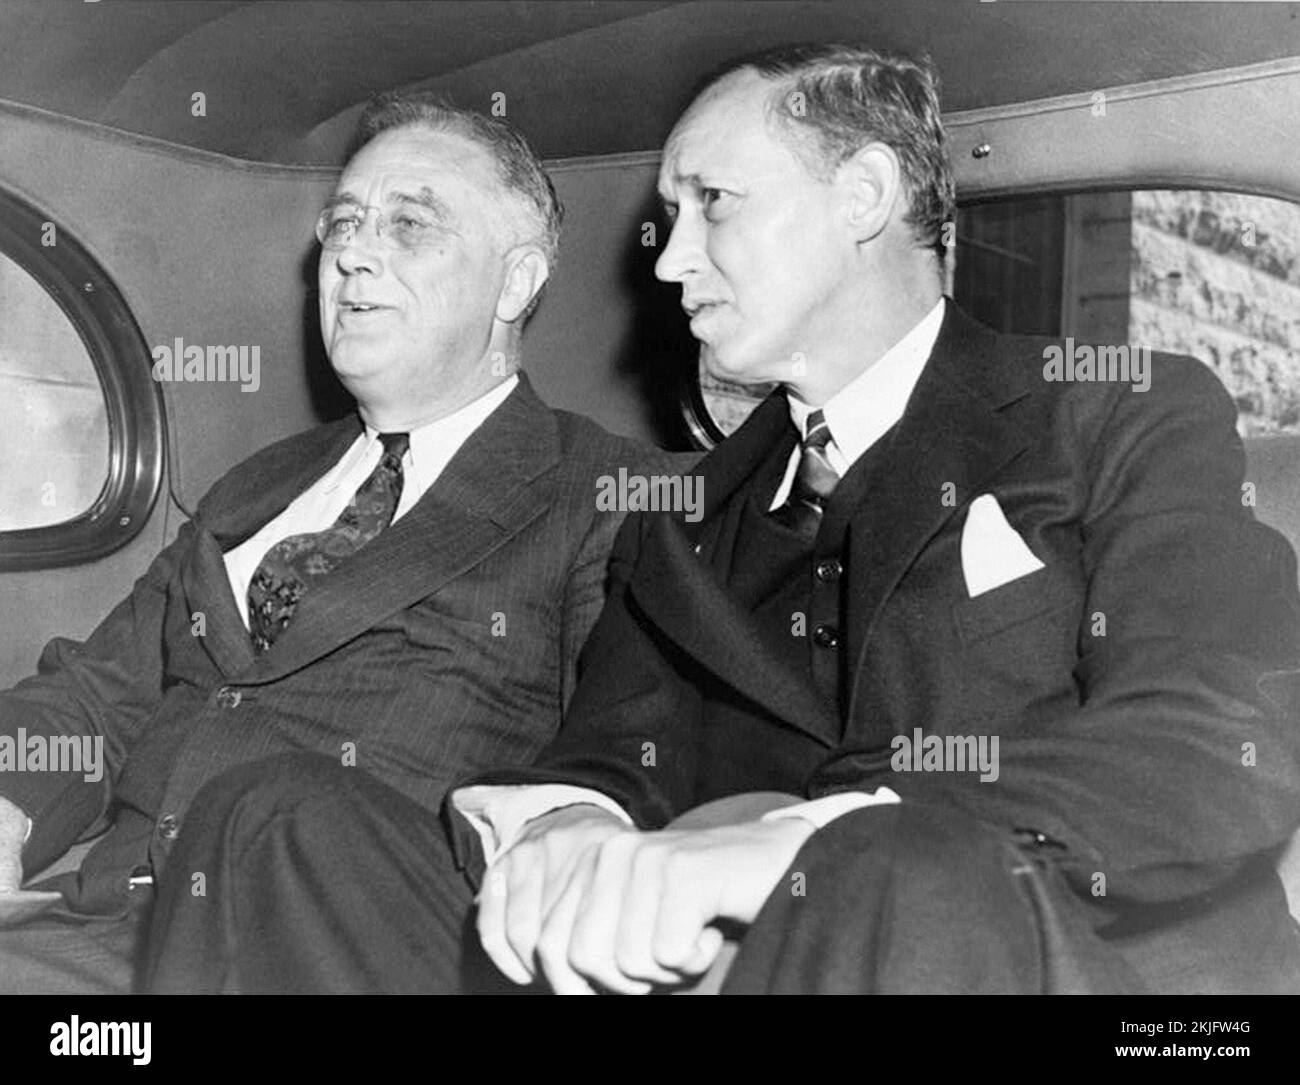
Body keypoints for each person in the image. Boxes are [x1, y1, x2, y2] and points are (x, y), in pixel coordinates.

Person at [144, 44, 1300, 996]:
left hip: (1053, 959)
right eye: (666, 215)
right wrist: (571, 836)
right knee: (273, 816)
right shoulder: (684, 512)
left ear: (862, 197)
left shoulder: (1119, 413)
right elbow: (605, 755)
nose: (672, 259)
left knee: (889, 869)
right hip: (721, 971)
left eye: (713, 206)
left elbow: (1214, 739)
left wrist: (807, 844)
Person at [0, 92, 675, 994]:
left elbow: (623, 766)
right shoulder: (259, 482)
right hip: (97, 928)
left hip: (319, 951)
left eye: (410, 225)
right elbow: (98, 692)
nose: (352, 252)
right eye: (345, 222)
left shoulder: (605, 495)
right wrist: (10, 804)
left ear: (515, 283)